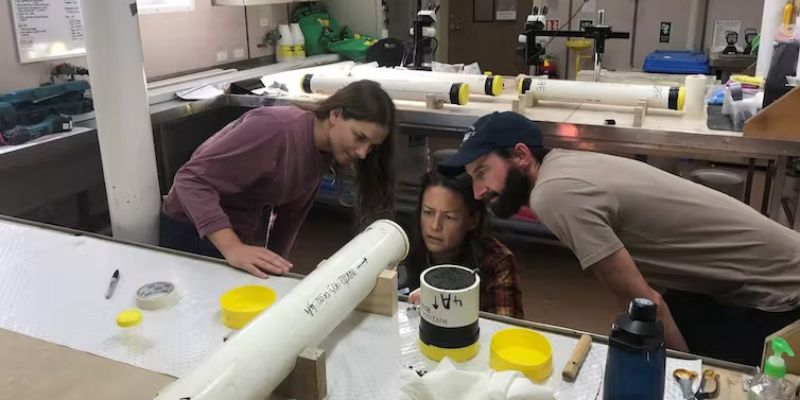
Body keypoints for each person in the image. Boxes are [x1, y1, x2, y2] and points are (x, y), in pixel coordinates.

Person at [438, 111, 800, 366]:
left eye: (483, 172)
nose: (479, 190)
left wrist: (679, 374)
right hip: (758, 277)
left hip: (780, 297)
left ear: (520, 155)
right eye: (472, 177)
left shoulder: (553, 194)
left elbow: (644, 302)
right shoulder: (564, 163)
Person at [160, 80, 396, 278]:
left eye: (371, 146)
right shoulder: (276, 130)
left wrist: (277, 264)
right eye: (359, 137)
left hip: (235, 235)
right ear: (335, 115)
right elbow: (190, 180)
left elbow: (290, 215)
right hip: (191, 231)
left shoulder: (323, 151)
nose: (362, 153)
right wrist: (233, 247)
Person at [405, 171, 524, 319]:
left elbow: (506, 332)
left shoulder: (497, 261)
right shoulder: (400, 246)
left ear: (473, 220)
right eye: (428, 212)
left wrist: (443, 304)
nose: (435, 226)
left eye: (449, 217)